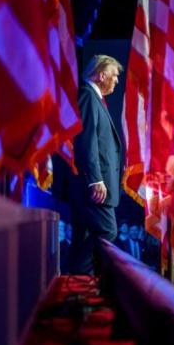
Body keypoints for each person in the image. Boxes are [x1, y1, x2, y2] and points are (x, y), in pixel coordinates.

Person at [68, 54, 123, 275]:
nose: (117, 80)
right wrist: (95, 180)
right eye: (114, 75)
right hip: (95, 186)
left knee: (85, 235)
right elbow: (86, 140)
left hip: (97, 184)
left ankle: (82, 283)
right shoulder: (88, 96)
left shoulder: (94, 98)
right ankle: (78, 275)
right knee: (108, 231)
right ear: (101, 75)